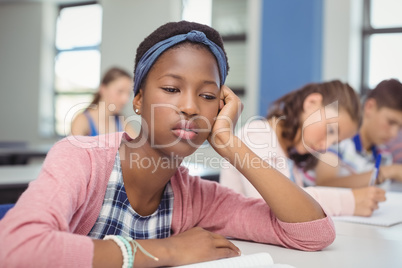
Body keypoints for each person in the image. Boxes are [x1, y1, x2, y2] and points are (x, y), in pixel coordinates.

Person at [0, 21, 335, 268]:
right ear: (138, 99)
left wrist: (229, 143)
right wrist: (168, 249)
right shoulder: (81, 158)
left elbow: (312, 233)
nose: (190, 107)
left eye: (207, 96)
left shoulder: (196, 198)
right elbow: (15, 248)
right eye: (172, 89)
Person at [220, 80, 386, 217]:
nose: (325, 146)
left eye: (335, 142)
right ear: (311, 102)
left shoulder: (290, 155)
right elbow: (280, 203)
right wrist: (349, 201)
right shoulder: (256, 135)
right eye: (330, 130)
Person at [308, 79, 402, 188]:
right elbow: (324, 184)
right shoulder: (338, 138)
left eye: (400, 127)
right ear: (370, 107)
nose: (394, 134)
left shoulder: (385, 156)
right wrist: (389, 171)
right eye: (391, 122)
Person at [70, 66, 137, 137]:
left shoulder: (121, 121)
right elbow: (70, 147)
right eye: (120, 91)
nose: (125, 100)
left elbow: (138, 145)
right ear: (103, 89)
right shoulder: (82, 120)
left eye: (128, 94)